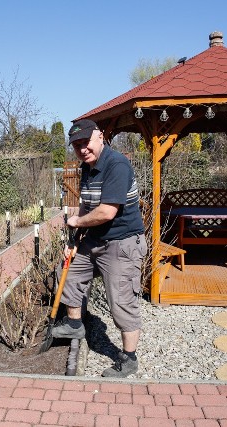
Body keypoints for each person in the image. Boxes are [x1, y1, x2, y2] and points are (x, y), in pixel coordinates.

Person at [51, 119, 147, 377]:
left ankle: (128, 359)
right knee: (68, 270)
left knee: (121, 301)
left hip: (122, 243)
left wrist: (76, 221)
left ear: (101, 137)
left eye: (86, 142)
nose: (82, 149)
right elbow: (87, 206)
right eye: (77, 145)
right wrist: (74, 240)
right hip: (94, 240)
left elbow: (106, 212)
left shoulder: (117, 165)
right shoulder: (87, 168)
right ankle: (74, 324)